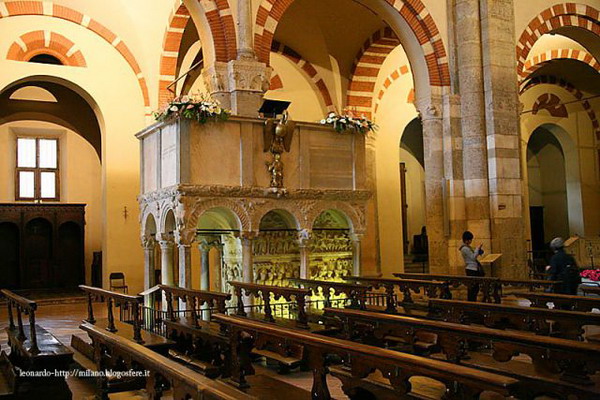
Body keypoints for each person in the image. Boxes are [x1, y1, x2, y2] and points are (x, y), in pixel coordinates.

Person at [460, 231, 484, 301]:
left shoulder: (468, 247)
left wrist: (479, 251)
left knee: (475, 288)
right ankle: (471, 302)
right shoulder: (464, 248)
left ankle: (473, 301)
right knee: (472, 288)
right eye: (470, 239)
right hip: (471, 269)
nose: (471, 241)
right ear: (466, 239)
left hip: (474, 268)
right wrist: (477, 249)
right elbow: (473, 257)